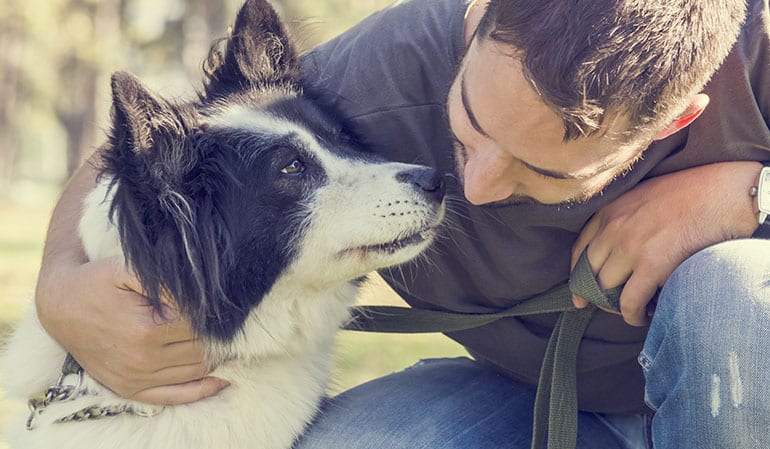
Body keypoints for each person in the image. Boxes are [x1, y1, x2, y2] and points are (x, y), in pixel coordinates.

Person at [34, 0, 770, 447]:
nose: (475, 188)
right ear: (480, 16)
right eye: (470, 129)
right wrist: (59, 287)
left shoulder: (754, 47)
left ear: (674, 120)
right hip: (522, 401)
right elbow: (160, 146)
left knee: (730, 291)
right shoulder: (384, 66)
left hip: (740, 400)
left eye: (542, 173)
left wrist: (748, 190)